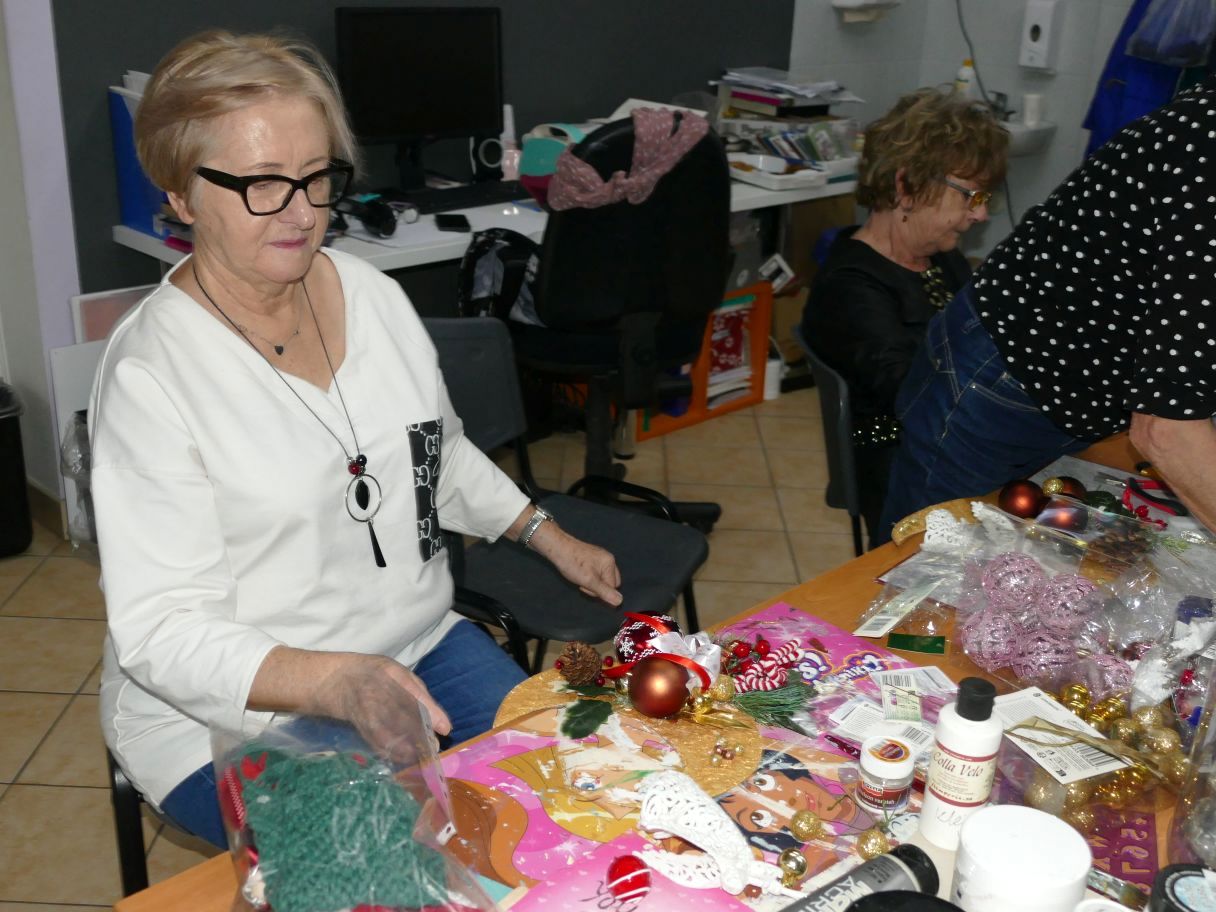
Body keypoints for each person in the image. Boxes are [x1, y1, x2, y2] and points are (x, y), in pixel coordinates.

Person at [89, 30, 622, 849]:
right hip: (226, 714)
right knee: (400, 869)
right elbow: (163, 633)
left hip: (414, 647)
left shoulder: (371, 295)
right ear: (180, 195)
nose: (303, 212)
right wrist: (336, 682)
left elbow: (434, 453)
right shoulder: (151, 375)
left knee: (564, 807)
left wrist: (546, 534)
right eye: (263, 184)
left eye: (316, 177)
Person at [880, 75, 1216, 536]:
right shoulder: (1205, 149)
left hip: (1070, 391)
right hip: (998, 384)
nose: (980, 214)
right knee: (927, 555)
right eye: (971, 198)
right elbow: (1168, 427)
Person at [801, 88, 1008, 548]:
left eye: (986, 197)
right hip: (900, 464)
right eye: (971, 196)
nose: (980, 214)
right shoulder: (850, 286)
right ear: (907, 187)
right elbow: (914, 396)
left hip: (950, 442)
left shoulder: (941, 258)